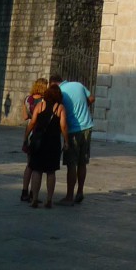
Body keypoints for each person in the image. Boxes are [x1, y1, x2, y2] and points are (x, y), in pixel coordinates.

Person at [51, 73, 95, 205]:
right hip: (87, 126)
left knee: (71, 164)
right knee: (82, 162)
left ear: (53, 83)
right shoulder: (78, 84)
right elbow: (92, 98)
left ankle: (69, 196)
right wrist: (83, 109)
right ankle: (80, 191)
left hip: (72, 130)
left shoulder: (60, 93)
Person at [25, 81, 68, 208]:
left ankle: (34, 199)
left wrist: (26, 136)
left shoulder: (40, 106)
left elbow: (32, 122)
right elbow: (64, 126)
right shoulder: (60, 108)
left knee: (37, 170)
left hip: (38, 141)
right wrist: (66, 141)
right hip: (53, 142)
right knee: (51, 171)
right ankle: (49, 199)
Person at [20, 79, 48, 202]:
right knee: (37, 166)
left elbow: (25, 117)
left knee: (29, 164)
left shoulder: (27, 99)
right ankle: (33, 193)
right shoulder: (44, 101)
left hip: (29, 131)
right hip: (39, 132)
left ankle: (24, 191)